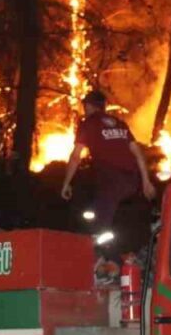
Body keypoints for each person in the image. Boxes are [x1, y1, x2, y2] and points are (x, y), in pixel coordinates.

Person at [60, 89, 156, 249]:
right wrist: (146, 182)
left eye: (85, 105)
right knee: (124, 222)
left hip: (111, 180)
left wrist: (66, 183)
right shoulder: (120, 124)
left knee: (99, 226)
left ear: (90, 106)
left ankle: (102, 258)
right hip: (133, 181)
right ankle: (131, 252)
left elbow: (76, 156)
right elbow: (138, 154)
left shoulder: (88, 124)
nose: (84, 108)